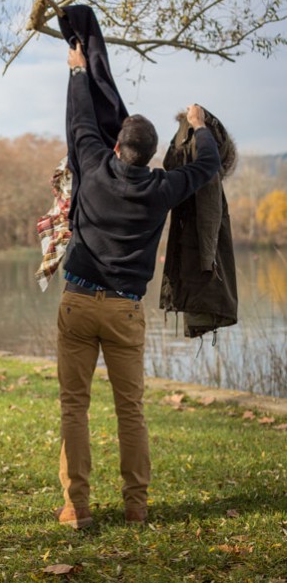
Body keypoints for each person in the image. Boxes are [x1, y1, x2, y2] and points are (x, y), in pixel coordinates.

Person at [54, 44, 221, 529]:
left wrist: (79, 72)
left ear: (114, 147)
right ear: (151, 156)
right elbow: (206, 167)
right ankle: (135, 506)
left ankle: (77, 508)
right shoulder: (162, 187)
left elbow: (81, 122)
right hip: (126, 311)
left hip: (79, 302)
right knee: (131, 410)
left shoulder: (90, 162)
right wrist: (200, 127)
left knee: (74, 407)